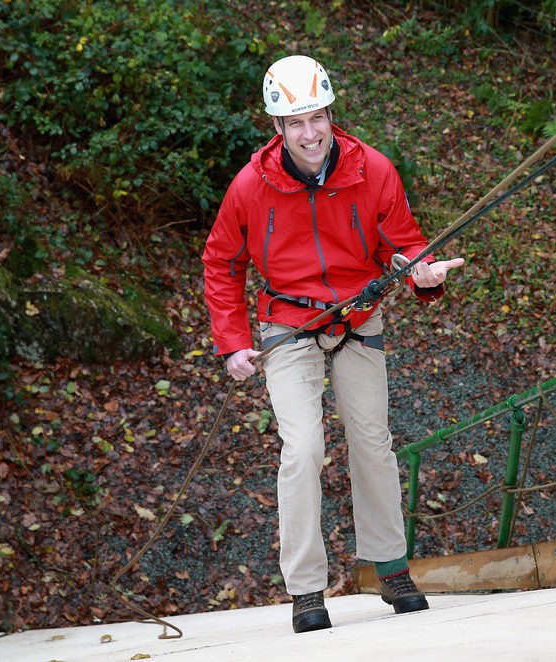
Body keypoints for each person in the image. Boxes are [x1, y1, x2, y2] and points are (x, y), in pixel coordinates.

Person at [202, 54, 464, 633]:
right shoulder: (251, 186)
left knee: (372, 439)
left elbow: (405, 244)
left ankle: (391, 569)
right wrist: (232, 342)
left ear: (331, 115)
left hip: (356, 321)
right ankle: (305, 590)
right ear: (277, 129)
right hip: (287, 327)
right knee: (301, 450)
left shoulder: (373, 171)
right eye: (295, 123)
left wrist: (420, 272)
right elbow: (221, 261)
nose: (309, 132)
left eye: (316, 117)